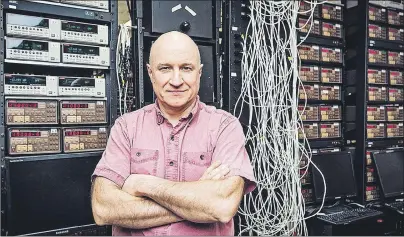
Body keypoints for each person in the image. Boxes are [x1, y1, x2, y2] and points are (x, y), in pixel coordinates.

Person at [91, 31, 256, 236]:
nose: (176, 80)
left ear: (199, 72)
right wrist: (197, 202)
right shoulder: (126, 127)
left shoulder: (225, 126)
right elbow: (103, 209)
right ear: (150, 73)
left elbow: (221, 206)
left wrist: (143, 184)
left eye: (186, 68)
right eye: (165, 68)